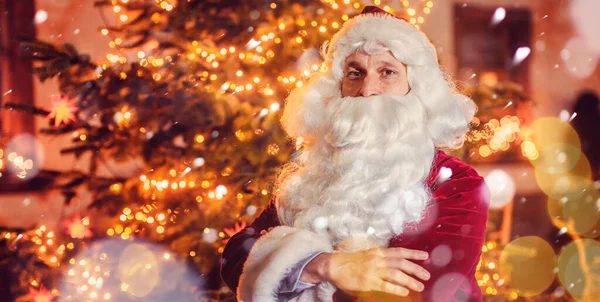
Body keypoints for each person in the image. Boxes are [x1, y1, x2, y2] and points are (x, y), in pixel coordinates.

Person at [221, 6, 490, 302]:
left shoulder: (458, 186)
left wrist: (290, 267)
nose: (367, 90)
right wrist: (326, 266)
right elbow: (237, 257)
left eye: (387, 72)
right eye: (355, 73)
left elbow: (412, 291)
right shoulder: (312, 175)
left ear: (416, 89)